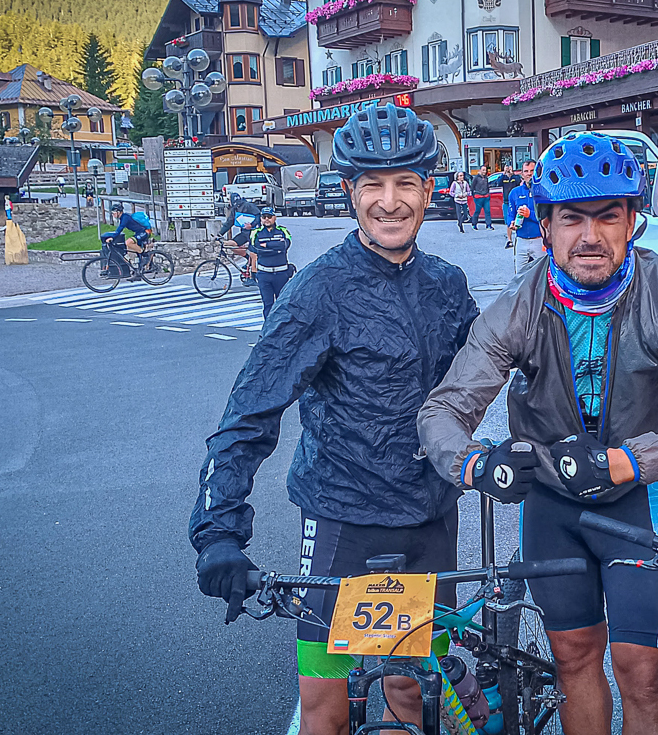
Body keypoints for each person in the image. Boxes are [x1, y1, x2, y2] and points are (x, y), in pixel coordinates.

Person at [419, 131, 658, 735]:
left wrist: (625, 461)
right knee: (573, 661)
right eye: (572, 217)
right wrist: (476, 464)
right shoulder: (519, 305)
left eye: (608, 216)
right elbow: (443, 412)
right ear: (545, 226)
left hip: (640, 497)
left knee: (642, 673)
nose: (590, 235)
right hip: (553, 505)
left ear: (633, 222)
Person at [191, 103, 478, 735]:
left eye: (405, 183)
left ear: (429, 188)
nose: (390, 201)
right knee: (326, 708)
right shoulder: (318, 290)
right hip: (343, 520)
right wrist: (218, 533)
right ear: (349, 191)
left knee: (412, 693)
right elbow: (248, 415)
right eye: (372, 184)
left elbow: (491, 373)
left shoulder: (448, 285)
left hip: (428, 519)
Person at [247, 206, 294, 317]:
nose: (267, 219)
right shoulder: (256, 233)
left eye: (269, 216)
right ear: (261, 219)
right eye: (264, 217)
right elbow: (256, 249)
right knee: (268, 305)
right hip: (264, 275)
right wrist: (275, 248)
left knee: (283, 305)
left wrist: (267, 245)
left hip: (281, 274)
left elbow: (284, 245)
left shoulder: (283, 231)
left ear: (274, 217)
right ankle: (268, 327)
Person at [505, 159, 544, 271]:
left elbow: (547, 217)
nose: (529, 174)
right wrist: (511, 223)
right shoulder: (514, 192)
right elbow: (510, 214)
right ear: (522, 174)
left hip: (539, 239)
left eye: (532, 171)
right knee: (519, 274)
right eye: (526, 171)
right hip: (521, 240)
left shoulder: (543, 191)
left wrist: (529, 214)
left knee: (541, 273)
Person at [217, 193, 260, 285]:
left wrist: (251, 225)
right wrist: (220, 234)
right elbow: (229, 222)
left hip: (254, 233)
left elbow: (258, 216)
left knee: (253, 254)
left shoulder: (249, 206)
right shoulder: (234, 209)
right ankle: (247, 258)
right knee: (231, 244)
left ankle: (252, 277)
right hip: (244, 233)